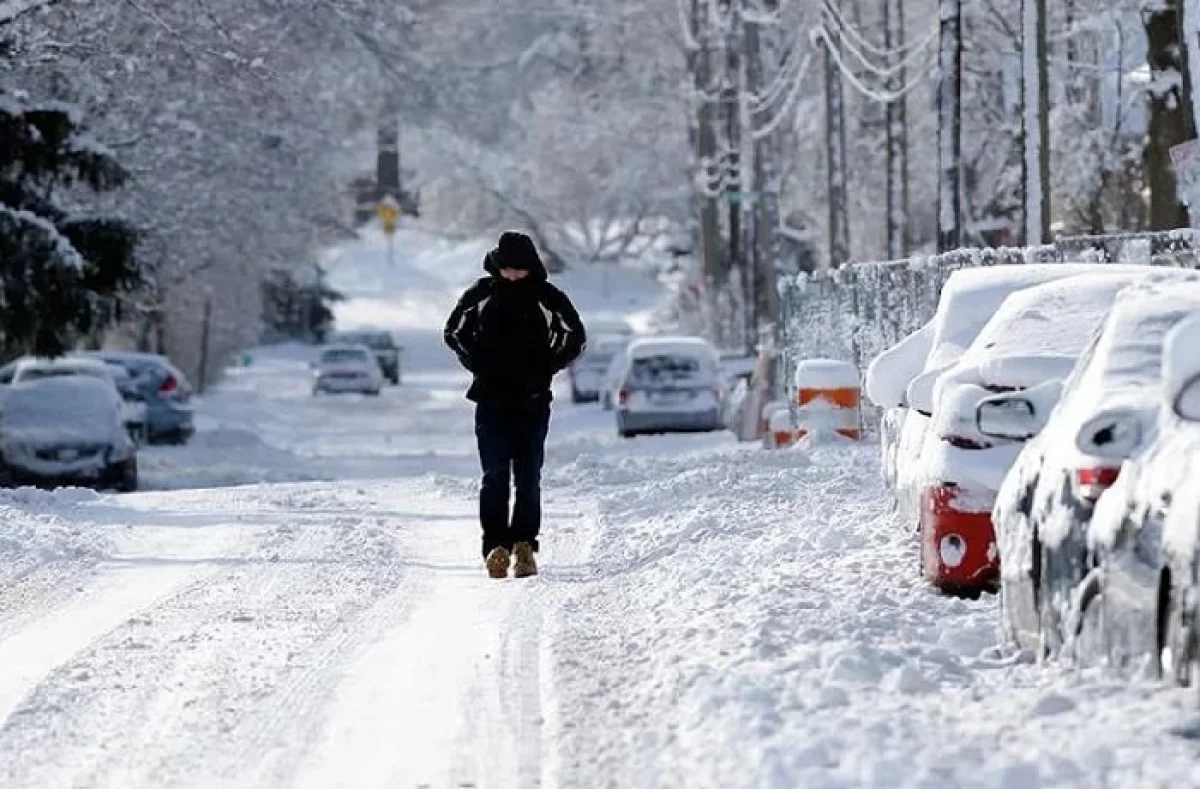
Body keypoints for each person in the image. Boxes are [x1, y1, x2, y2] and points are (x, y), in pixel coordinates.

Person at [444, 231, 586, 579]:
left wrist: (548, 366)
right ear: (498, 265)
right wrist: (476, 363)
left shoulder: (547, 297)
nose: (512, 276)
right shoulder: (481, 295)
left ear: (531, 268)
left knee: (528, 476)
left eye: (519, 270)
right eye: (507, 269)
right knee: (494, 476)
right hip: (490, 401)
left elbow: (575, 335)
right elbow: (453, 332)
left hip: (533, 401)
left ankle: (524, 545)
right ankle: (495, 546)